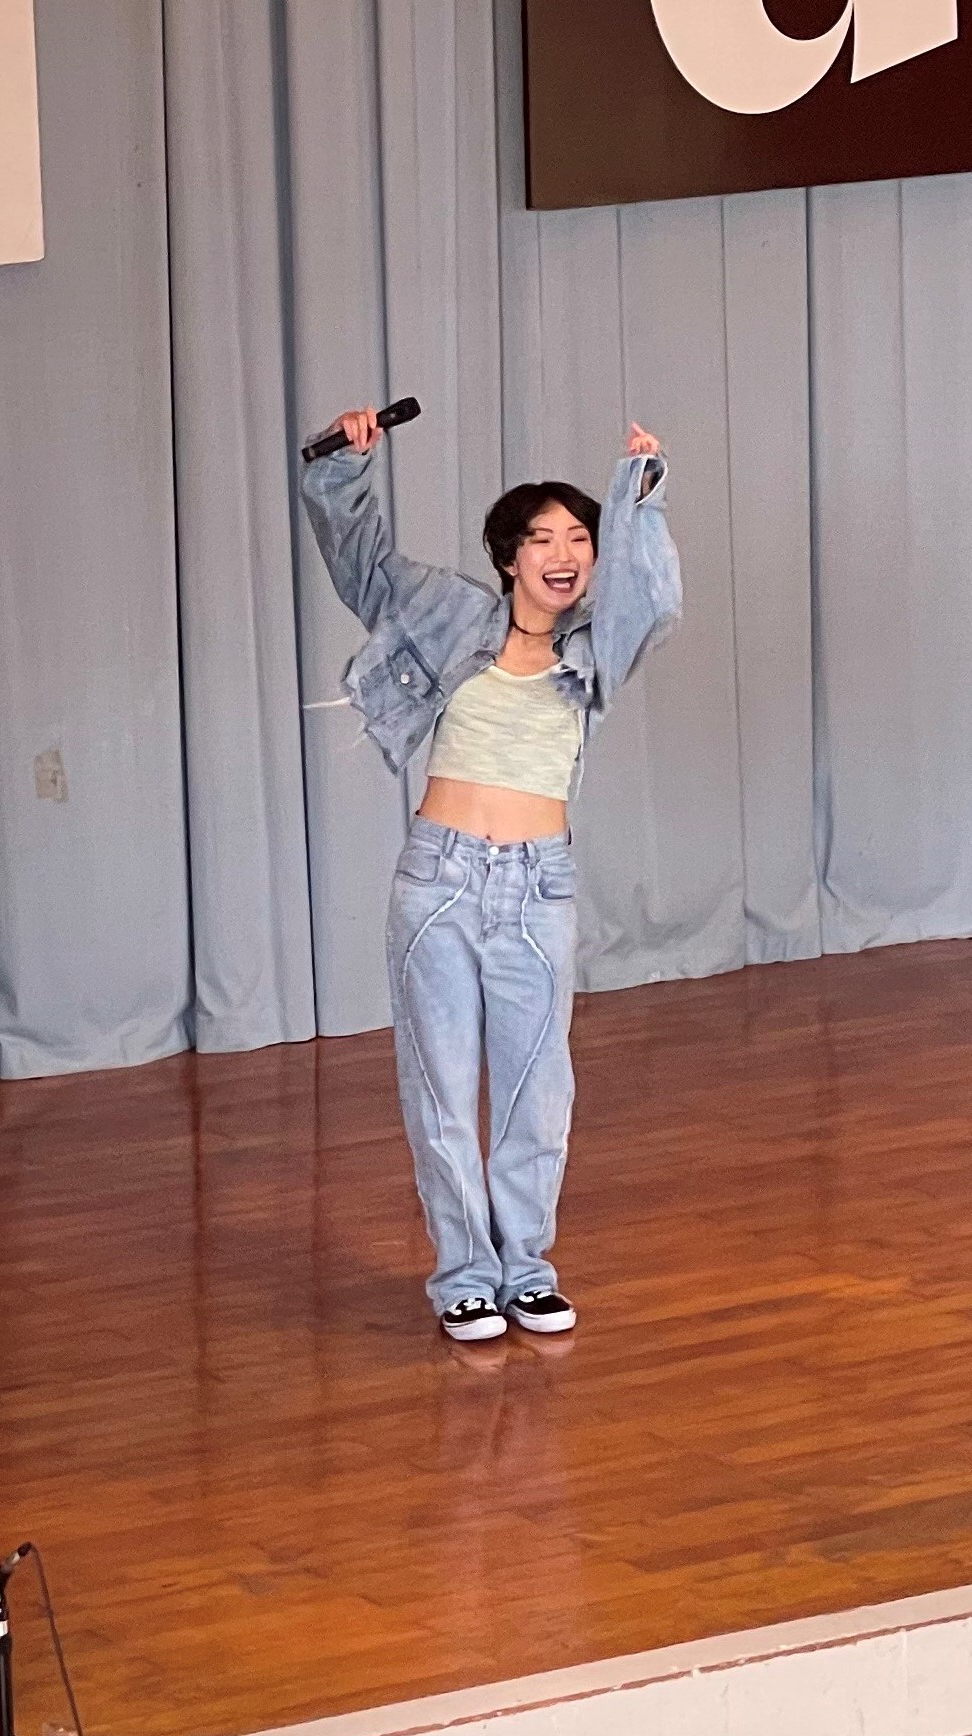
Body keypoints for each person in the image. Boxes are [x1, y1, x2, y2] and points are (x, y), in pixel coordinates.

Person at [300, 408, 680, 1341]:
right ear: (509, 556)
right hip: (439, 879)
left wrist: (639, 494)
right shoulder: (449, 612)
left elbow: (653, 601)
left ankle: (527, 1270)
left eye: (581, 538)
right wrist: (345, 465)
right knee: (439, 1089)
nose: (564, 553)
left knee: (536, 1093)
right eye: (542, 537)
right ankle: (465, 1275)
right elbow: (362, 566)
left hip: (538, 888)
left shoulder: (596, 644)